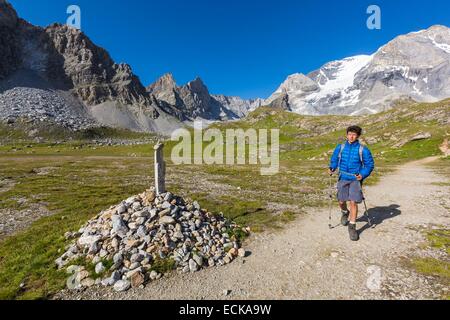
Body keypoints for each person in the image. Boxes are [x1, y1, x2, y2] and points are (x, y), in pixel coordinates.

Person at [328, 126, 375, 241]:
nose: (351, 136)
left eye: (354, 134)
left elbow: (369, 165)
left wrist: (362, 174)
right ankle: (345, 212)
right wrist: (332, 167)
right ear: (346, 135)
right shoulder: (341, 147)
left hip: (355, 179)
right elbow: (334, 159)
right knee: (341, 201)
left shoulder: (363, 149)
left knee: (353, 202)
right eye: (349, 134)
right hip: (343, 177)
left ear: (358, 136)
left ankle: (352, 226)